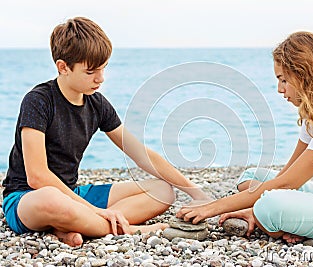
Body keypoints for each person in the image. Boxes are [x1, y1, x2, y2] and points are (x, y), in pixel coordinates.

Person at [1, 17, 211, 247]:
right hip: (27, 197)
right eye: (91, 71)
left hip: (73, 194)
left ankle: (72, 226)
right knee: (51, 200)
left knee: (162, 191)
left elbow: (142, 155)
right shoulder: (38, 101)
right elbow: (37, 176)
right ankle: (129, 229)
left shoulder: (97, 103)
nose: (100, 78)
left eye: (103, 68)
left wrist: (197, 194)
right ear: (63, 67)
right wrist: (95, 210)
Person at [177, 31, 313, 243]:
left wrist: (211, 207)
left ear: (305, 75)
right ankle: (298, 223)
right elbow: (287, 173)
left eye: (283, 80)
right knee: (251, 177)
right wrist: (251, 204)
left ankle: (289, 221)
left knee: (270, 205)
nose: (279, 89)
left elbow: (287, 183)